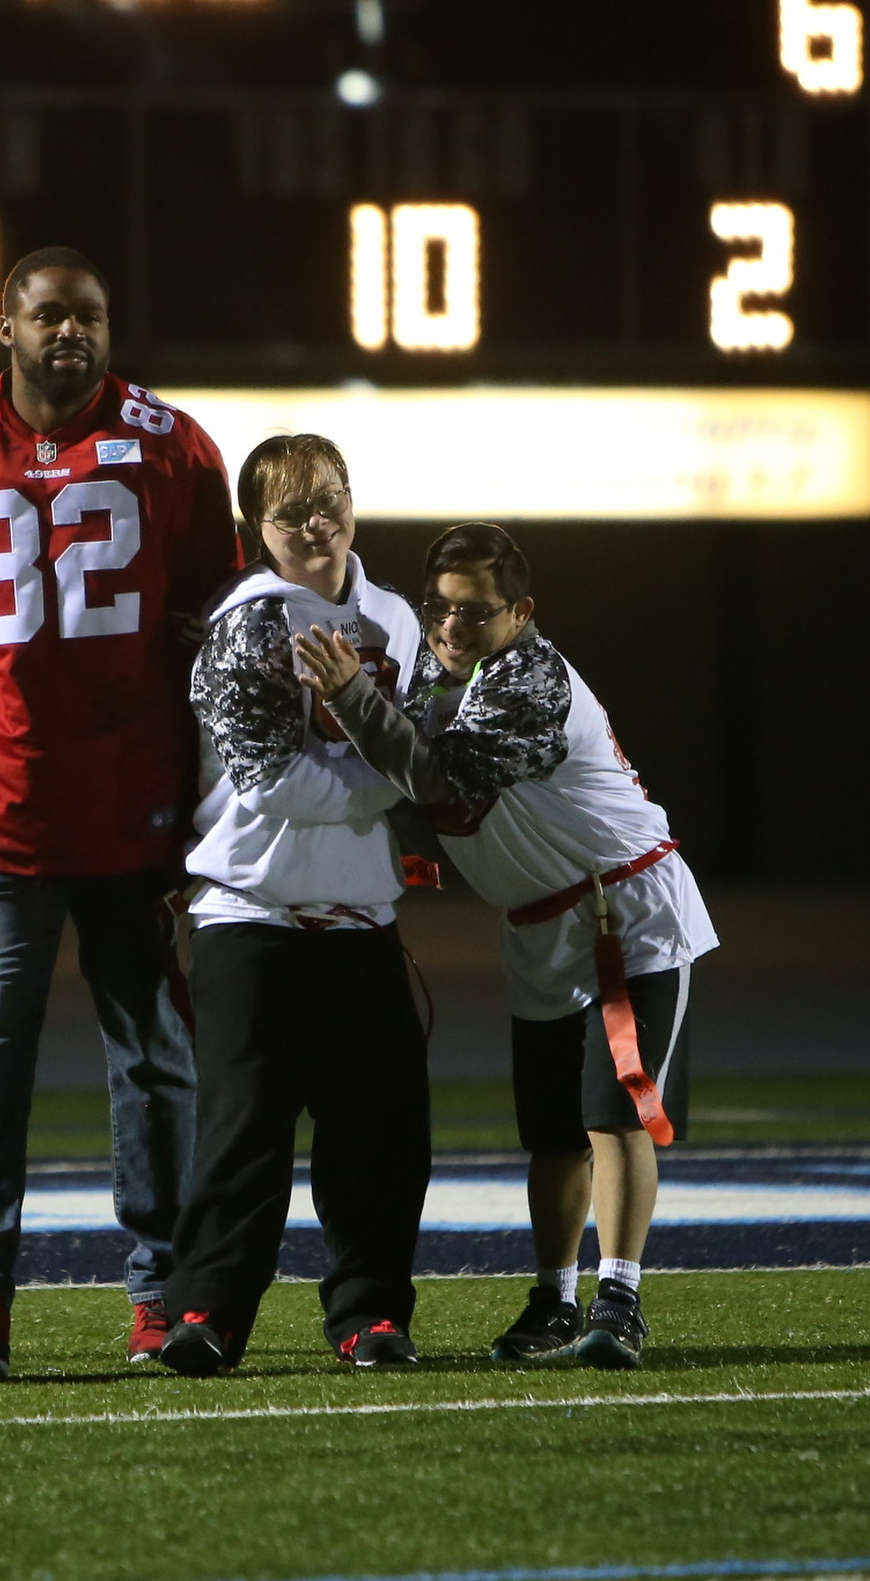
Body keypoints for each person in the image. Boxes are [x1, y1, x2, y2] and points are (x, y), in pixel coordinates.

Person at [0, 246, 241, 1382]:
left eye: (93, 316)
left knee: (156, 1054)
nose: (75, 332)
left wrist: (219, 796)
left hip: (135, 805)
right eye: (52, 315)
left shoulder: (174, 445)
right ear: (5, 328)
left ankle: (163, 1291)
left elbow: (220, 633)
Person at [294, 520, 717, 1371]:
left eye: (475, 612)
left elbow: (436, 775)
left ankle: (620, 1298)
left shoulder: (530, 677)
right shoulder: (437, 667)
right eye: (439, 610)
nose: (450, 628)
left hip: (621, 910)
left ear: (521, 612)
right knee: (552, 1133)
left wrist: (350, 699)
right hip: (536, 922)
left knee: (614, 1113)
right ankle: (555, 1297)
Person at [156, 435, 431, 1377]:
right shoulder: (245, 621)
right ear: (255, 529)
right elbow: (275, 782)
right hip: (251, 916)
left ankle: (371, 1317)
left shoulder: (396, 616)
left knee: (382, 1143)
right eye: (293, 512)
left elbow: (427, 759)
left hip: (361, 924)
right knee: (241, 1140)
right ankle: (207, 1312)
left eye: (332, 501)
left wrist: (392, 768)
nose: (319, 525)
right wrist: (387, 776)